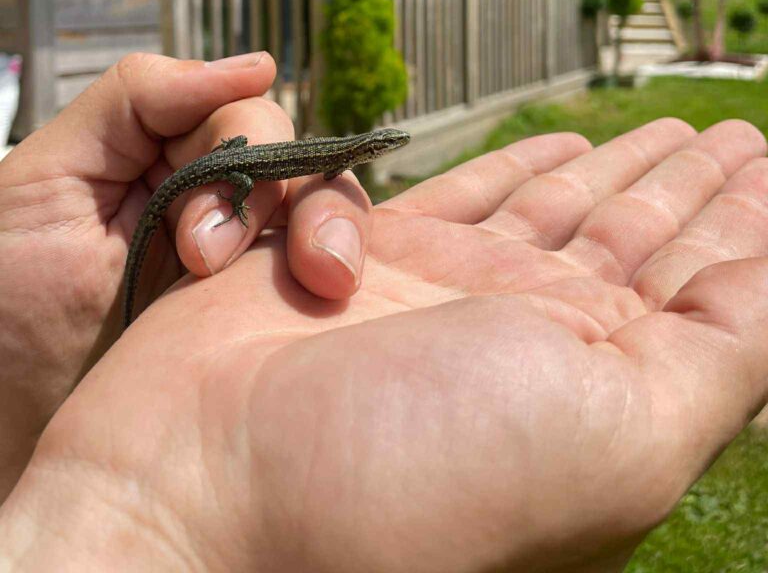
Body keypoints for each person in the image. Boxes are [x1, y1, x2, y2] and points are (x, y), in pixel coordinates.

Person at [0, 50, 767, 572]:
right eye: (386, 144)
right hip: (223, 170)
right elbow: (275, 172)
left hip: (224, 165)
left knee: (266, 188)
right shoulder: (334, 161)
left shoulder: (338, 167)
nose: (388, 147)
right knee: (242, 183)